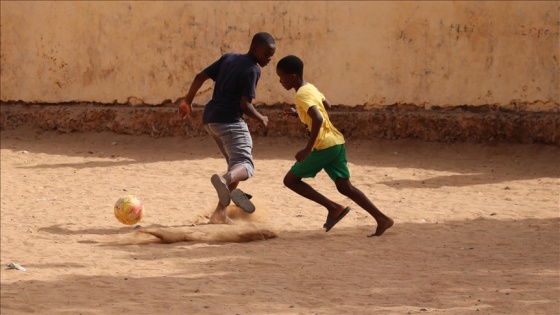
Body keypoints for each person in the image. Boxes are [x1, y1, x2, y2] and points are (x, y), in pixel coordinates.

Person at [275, 55, 393, 237]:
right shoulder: (310, 88)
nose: (280, 81)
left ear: (292, 77)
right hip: (336, 142)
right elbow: (326, 105)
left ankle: (334, 207)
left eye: (281, 77)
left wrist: (307, 149)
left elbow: (319, 117)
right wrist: (298, 112)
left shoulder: (301, 94)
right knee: (345, 187)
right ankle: (382, 219)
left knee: (290, 180)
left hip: (324, 146)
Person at [178, 32, 276, 224]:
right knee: (246, 166)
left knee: (235, 165)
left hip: (211, 120)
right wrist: (261, 117)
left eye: (271, 55)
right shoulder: (253, 69)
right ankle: (224, 181)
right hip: (230, 121)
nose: (269, 59)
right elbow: (245, 105)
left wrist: (187, 101)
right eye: (266, 54)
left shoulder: (229, 57)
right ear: (255, 49)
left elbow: (200, 76)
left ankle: (219, 214)